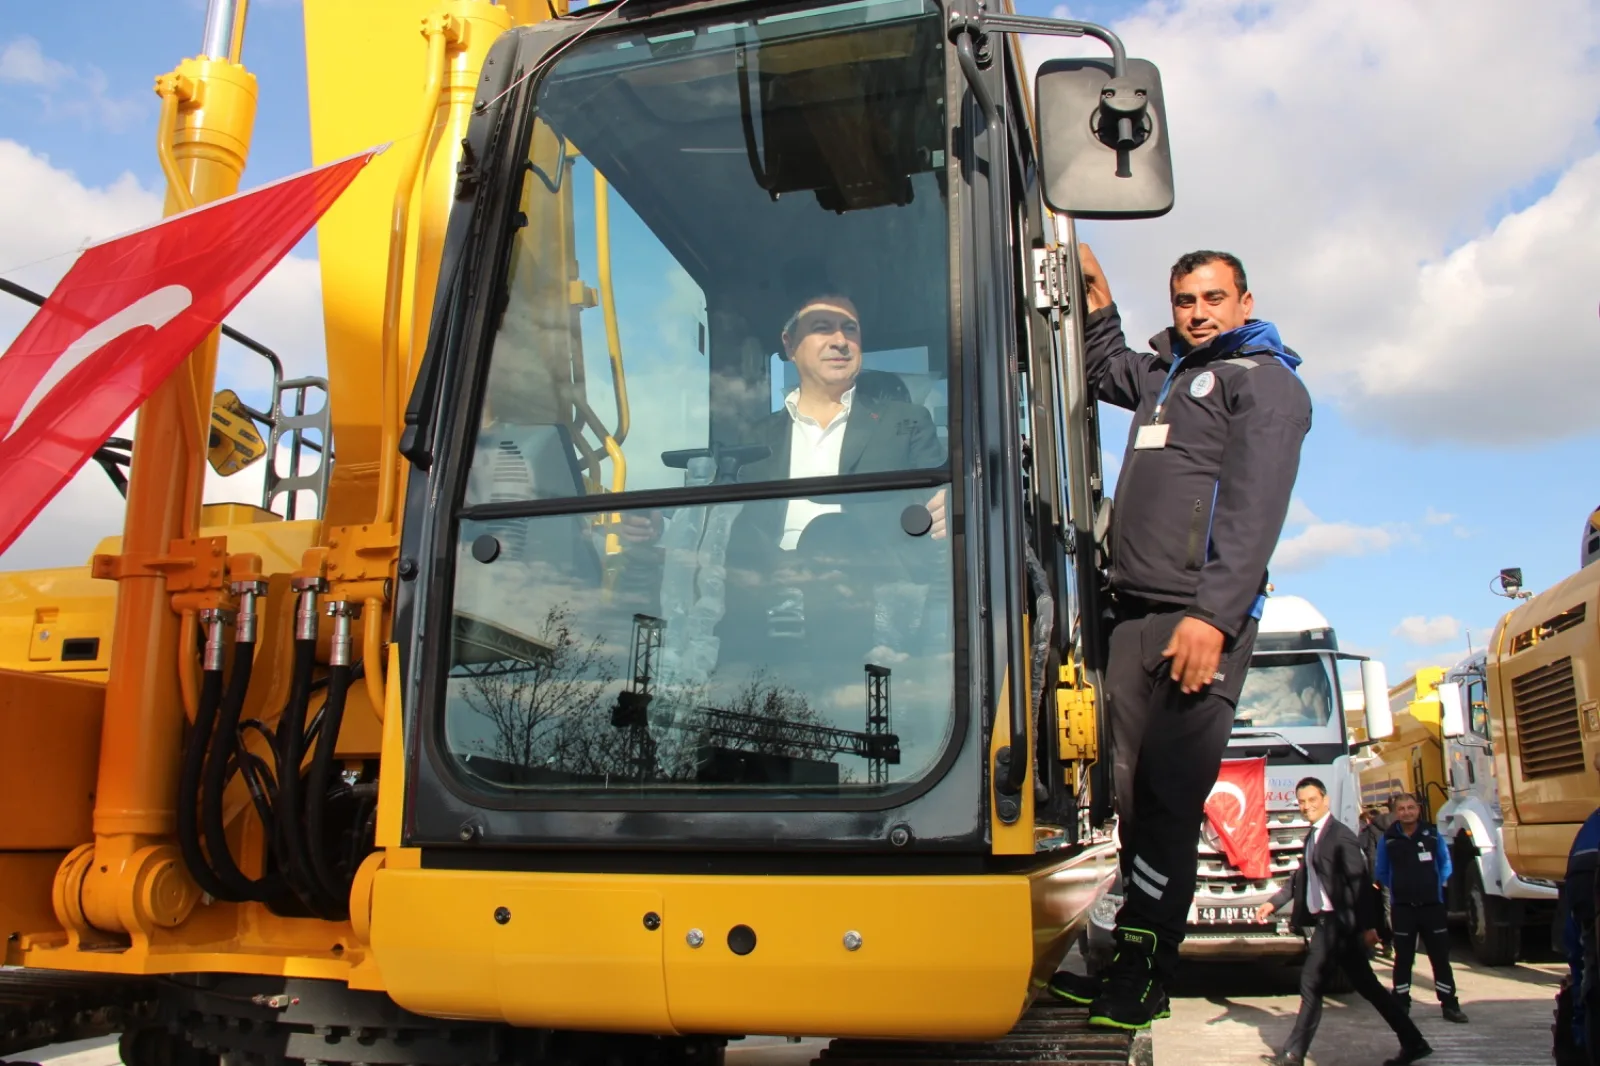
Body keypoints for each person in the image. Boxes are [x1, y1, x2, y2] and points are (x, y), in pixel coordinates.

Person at [1047, 247, 1312, 1030]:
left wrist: (1214, 617)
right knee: (1131, 798)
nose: (1198, 313)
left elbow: (1254, 512)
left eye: (1213, 298)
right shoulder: (1164, 376)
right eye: (1185, 301)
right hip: (1131, 621)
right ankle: (1121, 958)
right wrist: (1096, 295)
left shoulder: (1264, 384)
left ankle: (1147, 972)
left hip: (1197, 622)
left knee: (1169, 797)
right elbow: (1104, 368)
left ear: (1244, 302)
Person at [1255, 778, 1431, 1066]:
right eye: (1302, 802)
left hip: (1338, 924)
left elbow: (1359, 883)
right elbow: (1302, 877)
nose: (1307, 806)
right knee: (1369, 987)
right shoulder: (1313, 836)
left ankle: (1294, 1053)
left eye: (1312, 800)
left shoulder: (1340, 835)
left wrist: (1369, 927)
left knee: (1311, 983)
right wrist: (1274, 902)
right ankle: (1414, 1042)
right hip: (1330, 923)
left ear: (1325, 800)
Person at [1377, 793, 1467, 1023]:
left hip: (1432, 907)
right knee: (1404, 958)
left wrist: (1431, 886)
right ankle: (1401, 1003)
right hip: (1403, 909)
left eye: (1411, 807)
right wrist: (1402, 888)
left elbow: (1445, 865)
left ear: (1418, 809)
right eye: (1401, 809)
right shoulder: (1388, 839)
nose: (1407, 812)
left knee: (1440, 957)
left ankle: (1449, 1004)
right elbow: (1382, 871)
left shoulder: (1433, 835)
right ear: (1395, 813)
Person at [1360, 806, 1393, 955]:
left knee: (1383, 908)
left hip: (1380, 875)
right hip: (1398, 873)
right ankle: (1400, 941)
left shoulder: (1370, 830)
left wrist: (1373, 878)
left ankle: (1386, 942)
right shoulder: (1397, 826)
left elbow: (1371, 856)